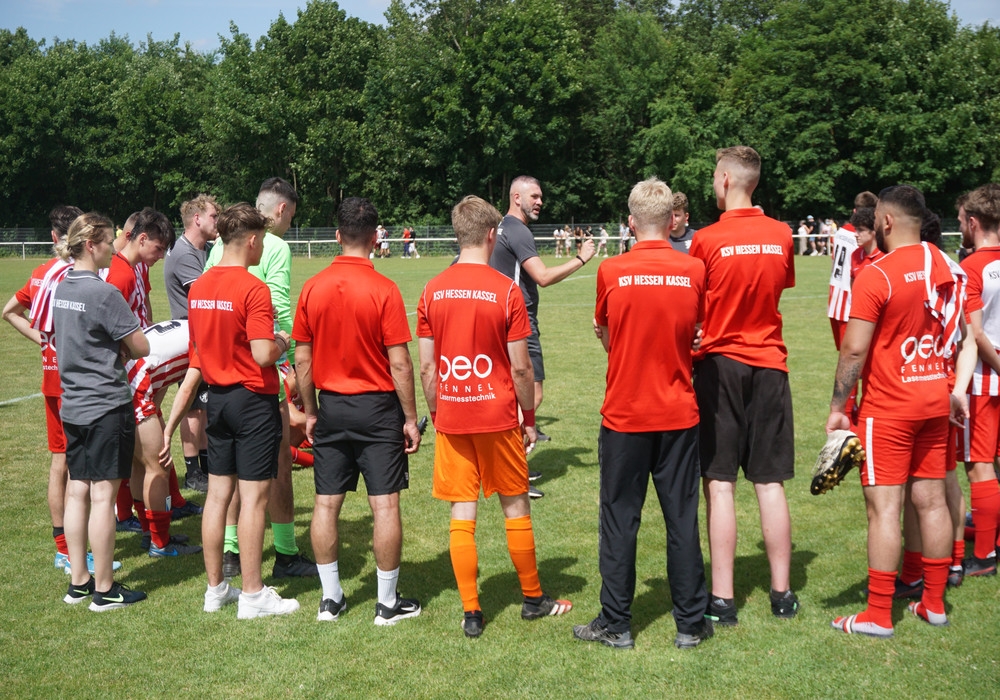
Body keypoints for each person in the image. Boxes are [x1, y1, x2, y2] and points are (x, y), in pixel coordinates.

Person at [416, 195, 572, 638]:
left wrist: (437, 411)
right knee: (515, 505)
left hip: (453, 416)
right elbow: (521, 367)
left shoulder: (431, 290)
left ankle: (471, 611)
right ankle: (533, 599)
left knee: (462, 513)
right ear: (491, 235)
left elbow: (427, 367)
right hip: (499, 415)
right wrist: (529, 418)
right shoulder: (506, 290)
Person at [575, 177, 711, 650]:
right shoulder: (693, 269)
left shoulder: (611, 270)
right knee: (682, 520)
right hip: (678, 413)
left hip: (625, 415)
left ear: (630, 222)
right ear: (672, 220)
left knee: (619, 520)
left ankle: (616, 623)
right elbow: (695, 335)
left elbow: (609, 340)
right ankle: (690, 622)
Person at [827, 185, 963, 636]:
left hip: (889, 406)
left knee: (883, 509)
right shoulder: (945, 263)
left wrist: (839, 408)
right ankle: (934, 603)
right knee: (932, 501)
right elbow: (958, 333)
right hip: (935, 398)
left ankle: (879, 614)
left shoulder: (877, 274)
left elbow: (853, 350)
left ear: (885, 221)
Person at [293, 196, 422, 626]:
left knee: (325, 505)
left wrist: (312, 411)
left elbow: (302, 360)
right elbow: (400, 363)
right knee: (384, 506)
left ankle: (330, 599)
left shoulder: (312, 287)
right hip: (378, 409)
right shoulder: (384, 289)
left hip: (331, 406)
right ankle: (386, 604)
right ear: (375, 238)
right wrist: (409, 419)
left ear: (336, 235)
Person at [689, 146, 798, 626]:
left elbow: (696, 304)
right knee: (769, 483)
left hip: (720, 365)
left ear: (727, 179)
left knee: (720, 484)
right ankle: (782, 594)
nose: (713, 184)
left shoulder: (706, 240)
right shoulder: (781, 234)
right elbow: (776, 290)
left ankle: (723, 599)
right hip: (770, 364)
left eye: (715, 176)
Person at [189, 202, 299, 618]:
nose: (264, 247)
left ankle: (215, 590)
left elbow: (198, 349)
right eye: (263, 240)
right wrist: (283, 339)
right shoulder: (254, 289)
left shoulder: (199, 286)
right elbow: (262, 353)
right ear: (252, 241)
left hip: (215, 399)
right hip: (252, 400)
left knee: (218, 496)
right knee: (253, 499)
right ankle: (253, 595)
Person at [206, 177, 316, 579]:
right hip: (261, 365)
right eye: (292, 217)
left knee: (226, 476)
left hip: (218, 370)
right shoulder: (275, 246)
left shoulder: (220, 245)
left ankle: (229, 554)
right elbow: (279, 305)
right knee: (277, 461)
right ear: (282, 210)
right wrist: (289, 345)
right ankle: (285, 553)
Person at [53, 213, 150, 610]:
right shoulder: (104, 292)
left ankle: (79, 580)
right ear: (91, 244)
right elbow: (141, 345)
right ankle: (105, 589)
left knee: (78, 490)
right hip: (105, 405)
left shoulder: (62, 286)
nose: (114, 247)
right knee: (103, 495)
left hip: (73, 404)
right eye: (110, 241)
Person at [488, 176, 596, 493]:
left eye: (540, 196)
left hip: (501, 319)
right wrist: (581, 258)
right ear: (516, 197)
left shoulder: (500, 227)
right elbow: (543, 277)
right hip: (519, 322)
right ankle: (513, 476)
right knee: (531, 395)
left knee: (512, 397)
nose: (540, 202)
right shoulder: (518, 230)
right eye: (534, 196)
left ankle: (508, 466)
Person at [3, 205, 85, 573]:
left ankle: (63, 548)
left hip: (52, 378)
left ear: (53, 236)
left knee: (60, 462)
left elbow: (9, 311)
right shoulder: (76, 274)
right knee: (78, 466)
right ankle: (74, 551)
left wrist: (44, 341)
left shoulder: (41, 273)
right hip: (77, 381)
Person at [953, 183, 1000, 577]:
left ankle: (984, 556)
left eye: (960, 221)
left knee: (980, 466)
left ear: (973, 222)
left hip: (985, 379)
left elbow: (976, 335)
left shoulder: (970, 268)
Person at [164, 194, 219, 493]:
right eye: (213, 216)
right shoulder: (184, 253)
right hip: (191, 339)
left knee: (205, 407)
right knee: (194, 408)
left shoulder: (206, 250)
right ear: (197, 219)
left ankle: (207, 466)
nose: (218, 221)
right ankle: (193, 471)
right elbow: (207, 294)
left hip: (205, 337)